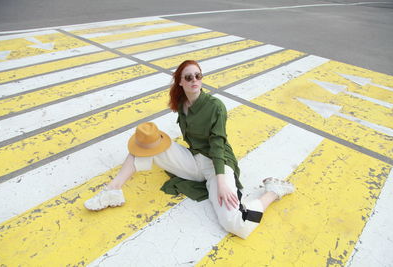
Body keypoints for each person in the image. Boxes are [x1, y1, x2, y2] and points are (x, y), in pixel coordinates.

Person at [84, 60, 295, 239]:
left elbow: (218, 145)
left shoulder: (215, 106)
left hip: (217, 164)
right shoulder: (183, 104)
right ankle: (113, 190)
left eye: (198, 76)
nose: (194, 80)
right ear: (180, 82)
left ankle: (273, 191)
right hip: (194, 161)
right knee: (145, 143)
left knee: (237, 225)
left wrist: (221, 180)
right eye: (188, 77)